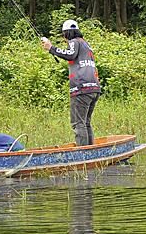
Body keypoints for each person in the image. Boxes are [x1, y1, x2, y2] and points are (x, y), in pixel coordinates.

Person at [41, 19, 101, 147]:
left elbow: (70, 54)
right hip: (94, 88)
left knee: (78, 123)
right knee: (85, 122)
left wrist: (51, 48)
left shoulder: (74, 42)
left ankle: (83, 155)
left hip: (81, 88)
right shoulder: (86, 44)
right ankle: (91, 153)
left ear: (66, 34)